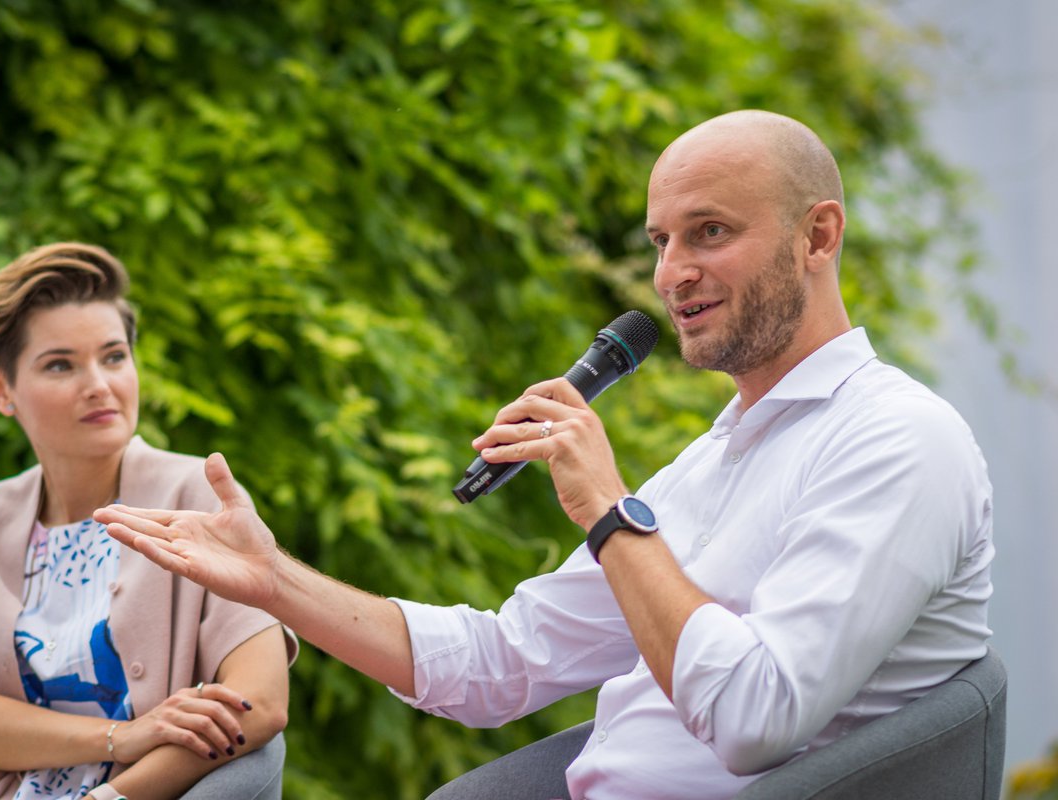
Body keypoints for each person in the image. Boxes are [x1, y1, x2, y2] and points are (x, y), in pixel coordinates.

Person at [95, 111, 994, 799]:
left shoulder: (899, 441)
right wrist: (272, 579)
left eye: (710, 232)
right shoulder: (718, 459)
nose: (671, 272)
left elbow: (755, 718)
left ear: (818, 236)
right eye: (661, 241)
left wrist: (610, 510)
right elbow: (501, 663)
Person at [0, 243, 296, 800]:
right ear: (1, 391)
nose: (99, 384)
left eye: (114, 357)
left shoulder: (198, 498)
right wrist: (120, 735)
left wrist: (111, 796)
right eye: (60, 364)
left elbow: (259, 703)